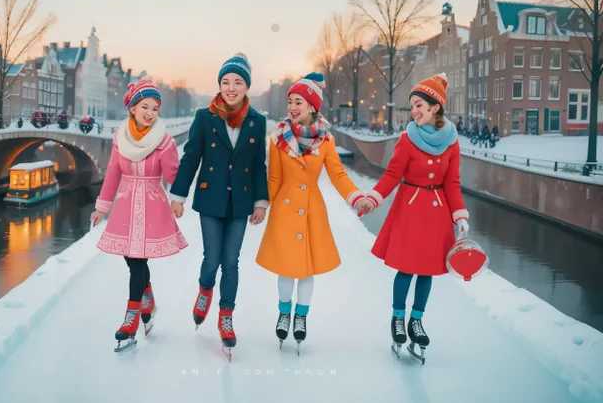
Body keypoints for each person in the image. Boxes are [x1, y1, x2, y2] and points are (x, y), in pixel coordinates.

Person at [357, 73, 470, 362]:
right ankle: (398, 317)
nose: (415, 111)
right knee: (406, 268)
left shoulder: (452, 142)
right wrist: (373, 198)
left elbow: (452, 183)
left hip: (437, 212)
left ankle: (416, 320)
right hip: (410, 208)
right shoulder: (407, 139)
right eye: (412, 106)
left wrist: (459, 215)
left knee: (427, 270)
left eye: (419, 105)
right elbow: (393, 174)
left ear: (435, 107)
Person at [255, 72, 366, 351]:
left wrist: (356, 197)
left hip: (311, 212)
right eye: (290, 101)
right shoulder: (278, 139)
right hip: (285, 209)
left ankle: (301, 317)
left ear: (312, 107)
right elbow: (274, 179)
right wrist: (261, 206)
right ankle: (284, 313)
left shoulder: (326, 141)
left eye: (298, 102)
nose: (292, 107)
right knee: (285, 268)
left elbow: (338, 174)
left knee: (305, 270)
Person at [169, 52, 268, 355]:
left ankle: (226, 316)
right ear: (220, 85)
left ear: (246, 86)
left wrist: (261, 202)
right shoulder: (204, 116)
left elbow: (258, 165)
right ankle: (204, 289)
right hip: (211, 198)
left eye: (238, 82)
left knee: (232, 261)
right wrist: (178, 195)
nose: (231, 87)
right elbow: (191, 158)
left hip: (240, 202)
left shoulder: (256, 121)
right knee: (212, 260)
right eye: (226, 81)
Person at [90, 77, 188, 352]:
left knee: (136, 260)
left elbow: (173, 174)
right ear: (133, 107)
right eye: (145, 106)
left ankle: (131, 317)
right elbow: (113, 174)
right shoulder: (121, 139)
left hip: (152, 203)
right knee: (130, 259)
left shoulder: (164, 141)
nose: (150, 113)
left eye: (155, 108)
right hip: (125, 204)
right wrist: (102, 207)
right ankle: (149, 299)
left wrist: (181, 190)